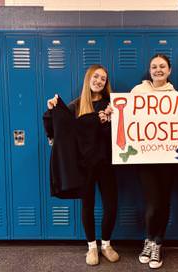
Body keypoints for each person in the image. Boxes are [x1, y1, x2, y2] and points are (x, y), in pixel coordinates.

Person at [45, 64, 119, 266]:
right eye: (95, 77)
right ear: (88, 79)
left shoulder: (112, 104)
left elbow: (122, 134)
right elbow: (57, 128)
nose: (99, 81)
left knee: (111, 205)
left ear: (106, 83)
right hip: (84, 166)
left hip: (106, 163)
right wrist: (52, 109)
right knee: (87, 206)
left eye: (103, 78)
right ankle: (92, 247)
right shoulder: (76, 106)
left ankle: (106, 244)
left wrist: (111, 119)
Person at [131, 54, 177, 269]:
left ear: (169, 71)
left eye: (162, 67)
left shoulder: (176, 96)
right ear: (149, 70)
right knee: (152, 204)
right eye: (154, 67)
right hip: (145, 159)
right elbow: (126, 117)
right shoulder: (138, 92)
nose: (158, 70)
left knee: (164, 201)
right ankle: (149, 239)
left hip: (168, 160)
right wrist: (115, 112)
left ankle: (158, 243)